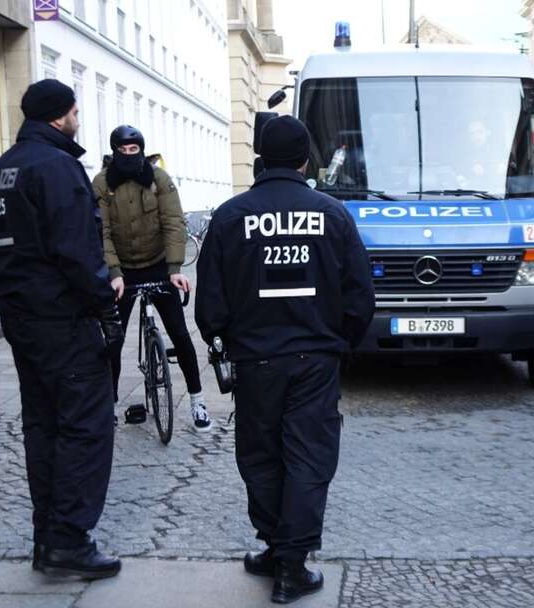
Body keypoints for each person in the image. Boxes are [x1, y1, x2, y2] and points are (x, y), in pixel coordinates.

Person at [195, 115, 375, 604]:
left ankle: (279, 550)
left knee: (261, 454)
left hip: (256, 360)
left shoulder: (232, 216)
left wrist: (222, 337)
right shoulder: (331, 214)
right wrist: (344, 344)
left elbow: (209, 304)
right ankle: (289, 562)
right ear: (304, 160)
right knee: (308, 456)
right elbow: (361, 296)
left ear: (261, 160)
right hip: (315, 357)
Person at [0, 79, 122, 579]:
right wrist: (104, 303)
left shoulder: (0, 170)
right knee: (84, 428)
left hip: (22, 319)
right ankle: (69, 541)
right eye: (76, 110)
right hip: (63, 321)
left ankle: (48, 537)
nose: (79, 117)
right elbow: (77, 250)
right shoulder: (58, 168)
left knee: (43, 428)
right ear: (61, 116)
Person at [92, 125, 212, 433]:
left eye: (135, 150)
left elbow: (174, 223)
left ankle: (198, 400)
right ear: (114, 151)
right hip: (123, 271)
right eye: (123, 150)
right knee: (113, 339)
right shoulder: (102, 184)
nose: (129, 155)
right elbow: (100, 232)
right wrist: (114, 274)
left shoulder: (159, 179)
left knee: (180, 333)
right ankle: (110, 405)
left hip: (159, 265)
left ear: (142, 151)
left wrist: (175, 269)